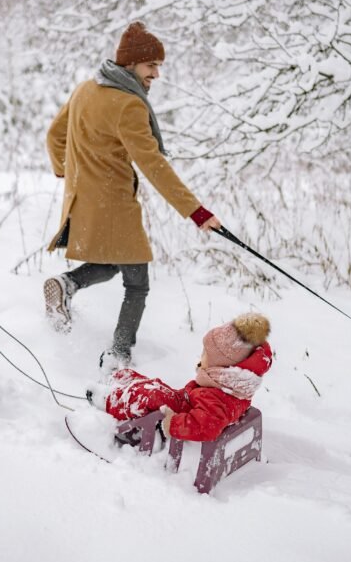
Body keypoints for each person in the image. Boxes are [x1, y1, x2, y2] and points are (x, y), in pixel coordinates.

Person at [43, 21, 221, 368]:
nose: (156, 73)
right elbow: (153, 165)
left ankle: (66, 285)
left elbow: (54, 136)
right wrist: (197, 212)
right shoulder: (129, 106)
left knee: (110, 264)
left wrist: (66, 172)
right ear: (130, 64)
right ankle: (118, 356)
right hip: (115, 203)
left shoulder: (85, 89)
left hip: (84, 198)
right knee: (137, 282)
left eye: (158, 65)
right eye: (151, 65)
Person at [93, 313, 272, 444]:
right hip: (186, 403)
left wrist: (172, 424)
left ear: (222, 366)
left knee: (151, 395)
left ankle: (108, 400)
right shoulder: (230, 387)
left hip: (180, 413)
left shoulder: (216, 397)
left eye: (206, 354)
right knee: (154, 386)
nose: (201, 356)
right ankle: (117, 377)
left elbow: (206, 427)